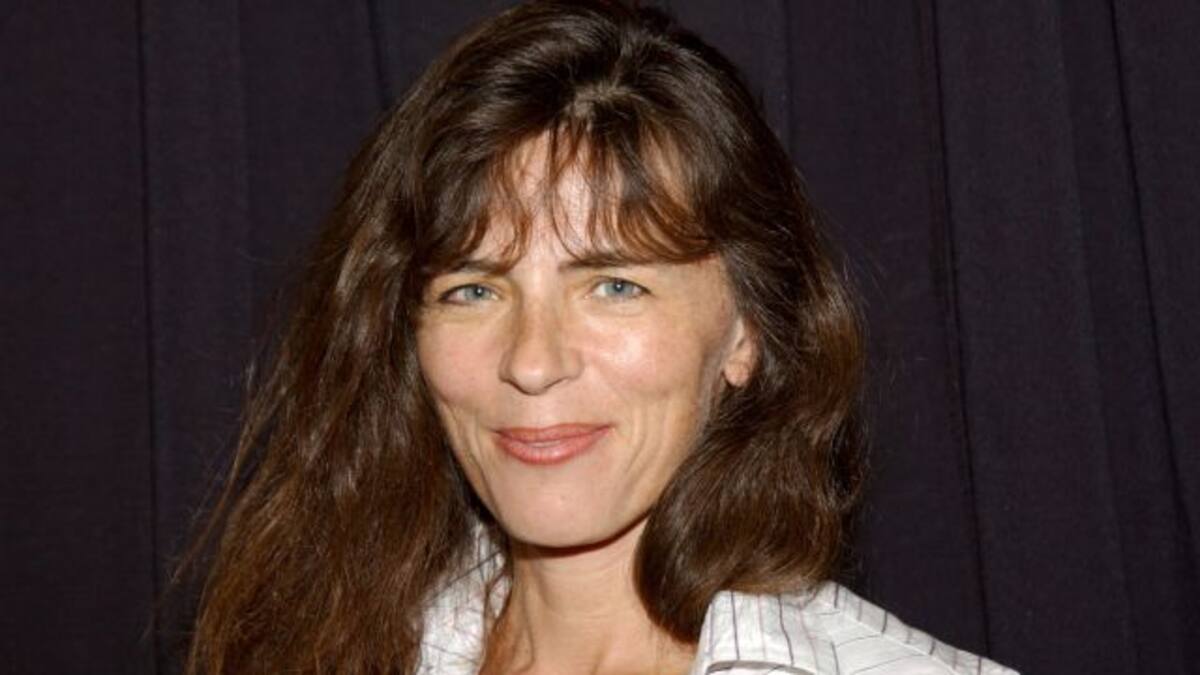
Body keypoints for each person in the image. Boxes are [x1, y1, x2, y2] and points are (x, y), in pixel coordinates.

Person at [184, 1, 1018, 673]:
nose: (532, 361)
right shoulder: (314, 647)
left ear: (748, 330)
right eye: (474, 289)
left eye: (615, 285)